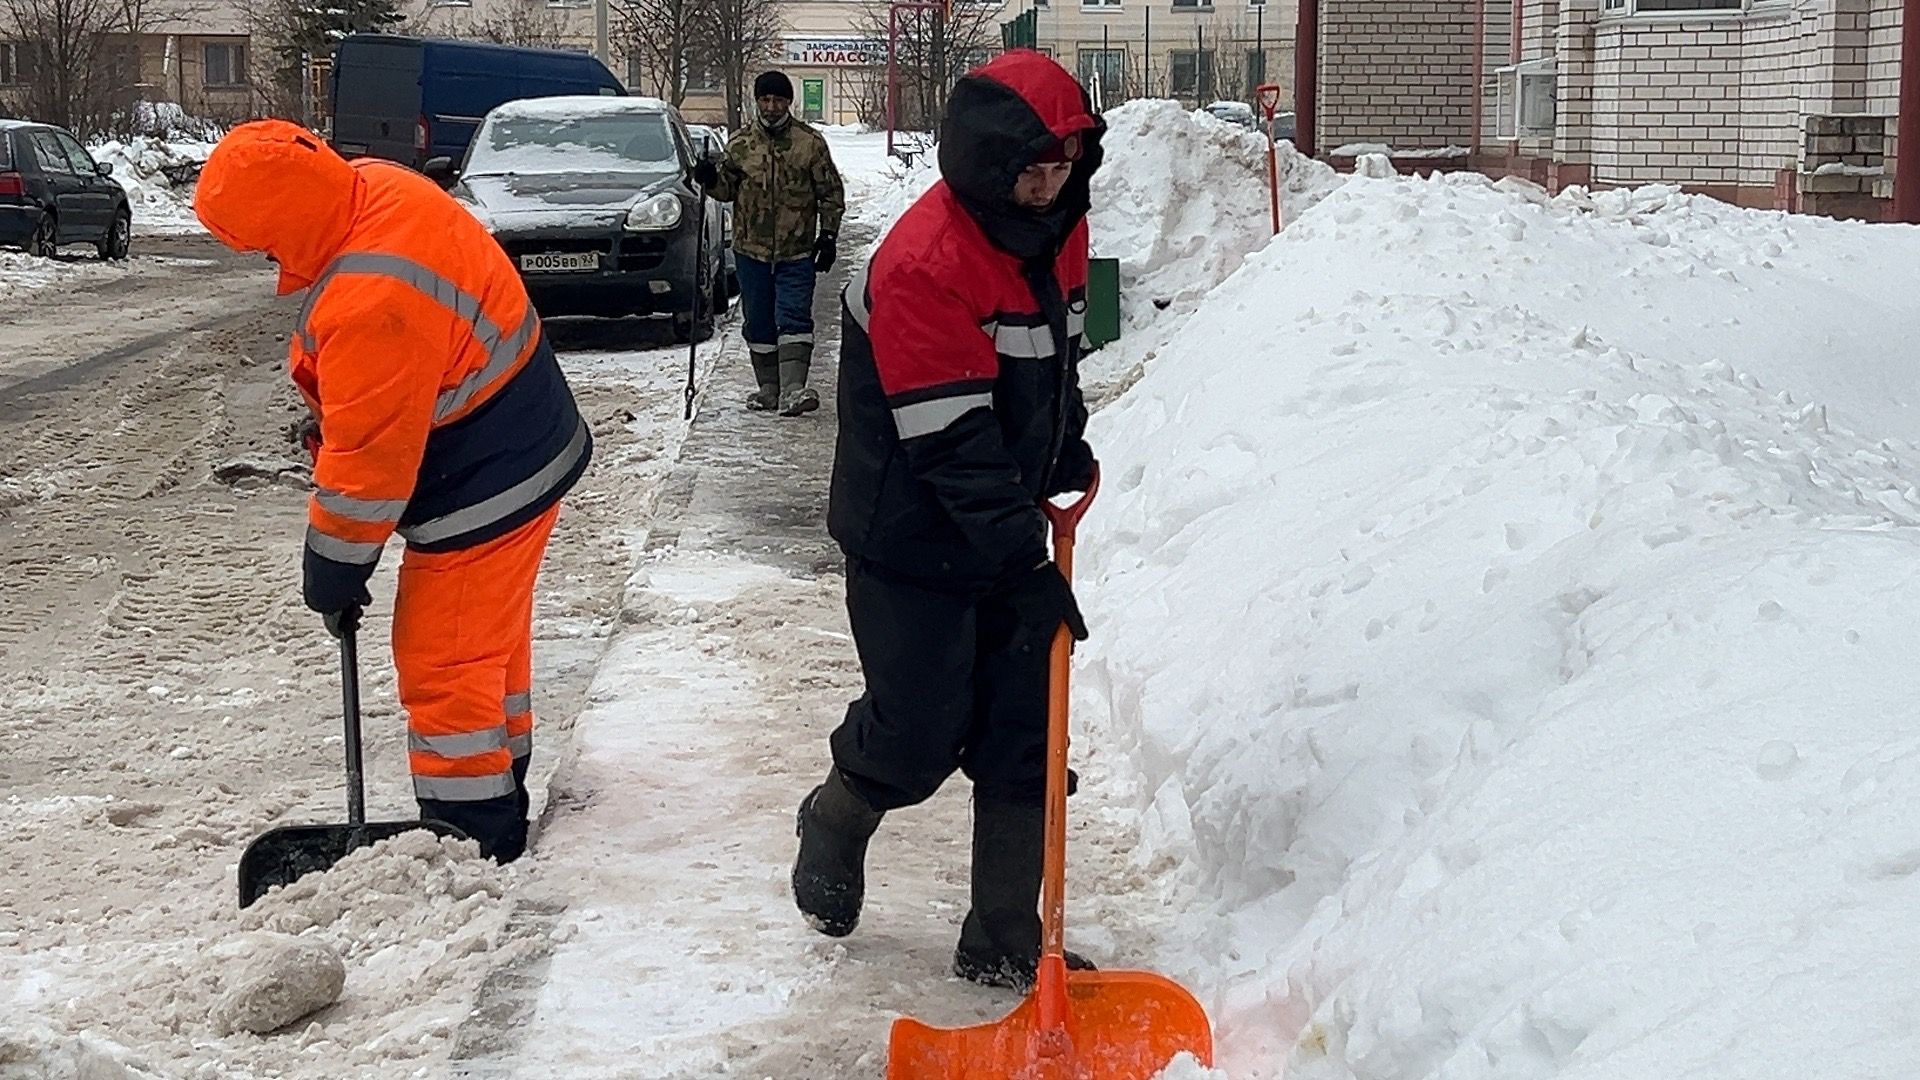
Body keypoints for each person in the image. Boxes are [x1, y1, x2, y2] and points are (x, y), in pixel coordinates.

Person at [194, 120, 592, 863]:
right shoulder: (374, 186)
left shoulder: (372, 294)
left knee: (443, 659)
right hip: (518, 439)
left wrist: (335, 567)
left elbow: (371, 466)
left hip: (487, 475)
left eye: (260, 242)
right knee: (486, 646)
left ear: (285, 220)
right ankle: (500, 788)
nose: (265, 258)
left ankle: (472, 838)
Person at [795, 51, 1104, 990]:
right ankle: (838, 813)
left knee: (1023, 728)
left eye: (1065, 169)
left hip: (999, 509)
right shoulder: (926, 261)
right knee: (920, 731)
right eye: (1032, 169)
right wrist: (1027, 564)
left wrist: (1065, 440)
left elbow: (1057, 354)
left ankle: (1005, 936)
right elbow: (950, 444)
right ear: (982, 163)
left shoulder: (1060, 230)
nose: (1049, 189)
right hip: (911, 534)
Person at [694, 70, 846, 417]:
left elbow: (830, 193)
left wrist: (829, 235)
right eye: (766, 99)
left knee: (793, 315)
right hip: (752, 251)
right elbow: (726, 189)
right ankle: (769, 388)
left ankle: (794, 388)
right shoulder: (740, 144)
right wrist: (708, 179)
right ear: (757, 101)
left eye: (778, 100)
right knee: (758, 320)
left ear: (788, 102)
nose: (772, 106)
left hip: (798, 251)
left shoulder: (809, 143)